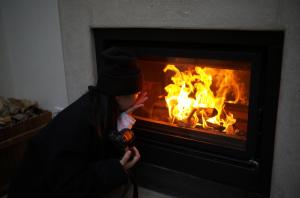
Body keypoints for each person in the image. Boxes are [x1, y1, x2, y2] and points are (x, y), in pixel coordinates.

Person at [8, 47, 148, 198]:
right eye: (136, 93)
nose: (138, 97)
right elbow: (70, 185)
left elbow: (95, 151)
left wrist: (125, 117)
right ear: (118, 96)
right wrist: (117, 168)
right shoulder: (78, 124)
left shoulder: (97, 106)